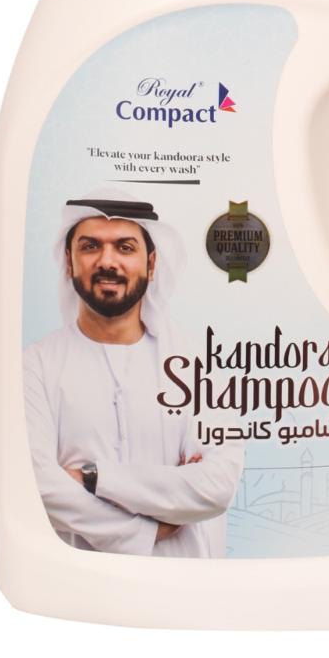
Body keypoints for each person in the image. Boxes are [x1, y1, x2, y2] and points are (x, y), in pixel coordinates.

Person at [23, 194, 243, 556]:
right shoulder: (37, 365)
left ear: (151, 264)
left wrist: (91, 478)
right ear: (69, 261)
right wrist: (149, 524)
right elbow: (37, 486)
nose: (107, 261)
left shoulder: (195, 362)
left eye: (125, 247)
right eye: (90, 246)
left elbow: (217, 485)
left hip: (187, 582)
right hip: (85, 585)